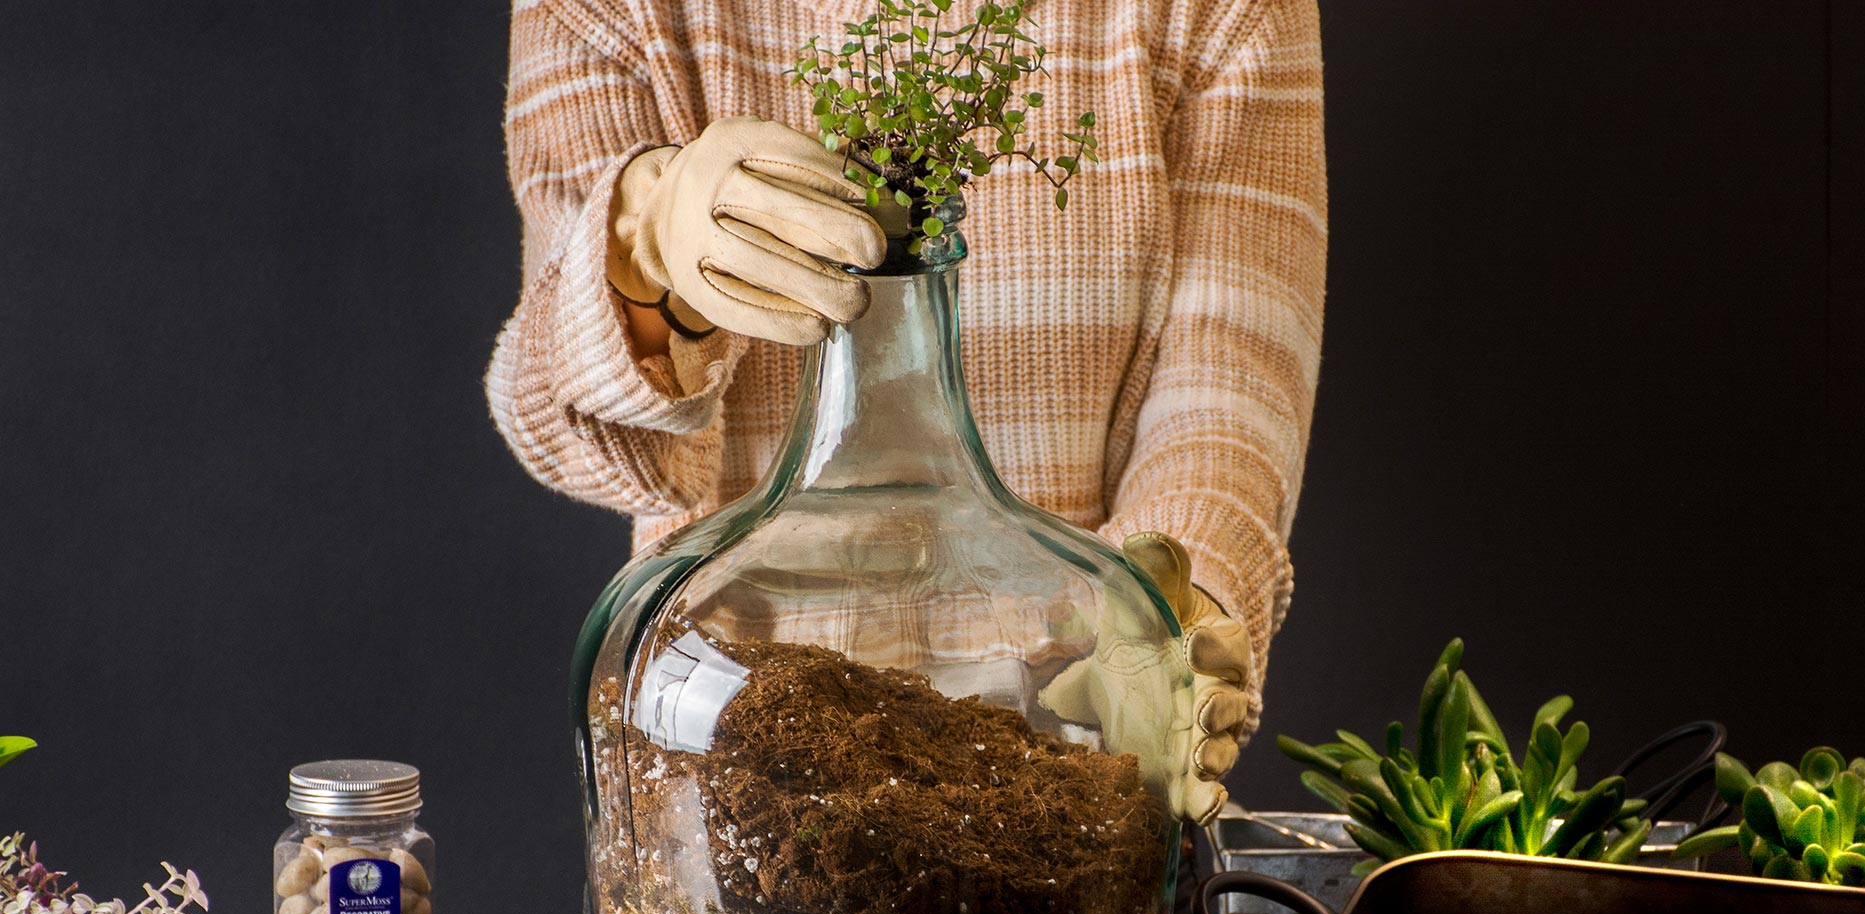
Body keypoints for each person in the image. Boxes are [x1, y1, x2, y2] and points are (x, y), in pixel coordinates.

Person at [487, 0, 1327, 821]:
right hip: (737, 796)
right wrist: (643, 245)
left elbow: (1226, 413)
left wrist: (1162, 621)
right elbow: (586, 441)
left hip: (1074, 771)